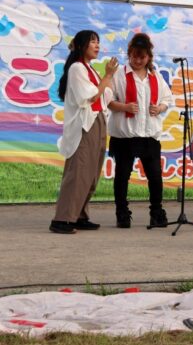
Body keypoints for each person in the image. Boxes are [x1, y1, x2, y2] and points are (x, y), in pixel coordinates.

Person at [50, 30, 119, 234]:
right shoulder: (77, 69)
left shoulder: (90, 69)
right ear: (82, 45)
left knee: (91, 173)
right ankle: (62, 218)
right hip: (84, 125)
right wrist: (107, 75)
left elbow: (104, 94)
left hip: (97, 120)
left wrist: (106, 77)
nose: (97, 46)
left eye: (98, 42)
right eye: (92, 42)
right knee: (79, 171)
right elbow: (88, 96)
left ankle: (79, 215)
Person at [108, 33, 174, 228]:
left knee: (155, 176)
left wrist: (159, 108)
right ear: (129, 54)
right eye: (134, 56)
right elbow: (107, 99)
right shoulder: (119, 74)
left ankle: (156, 211)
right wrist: (124, 107)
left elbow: (167, 99)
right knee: (122, 175)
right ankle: (122, 212)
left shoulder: (155, 76)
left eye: (142, 57)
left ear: (148, 57)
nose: (137, 61)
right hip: (126, 134)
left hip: (149, 134)